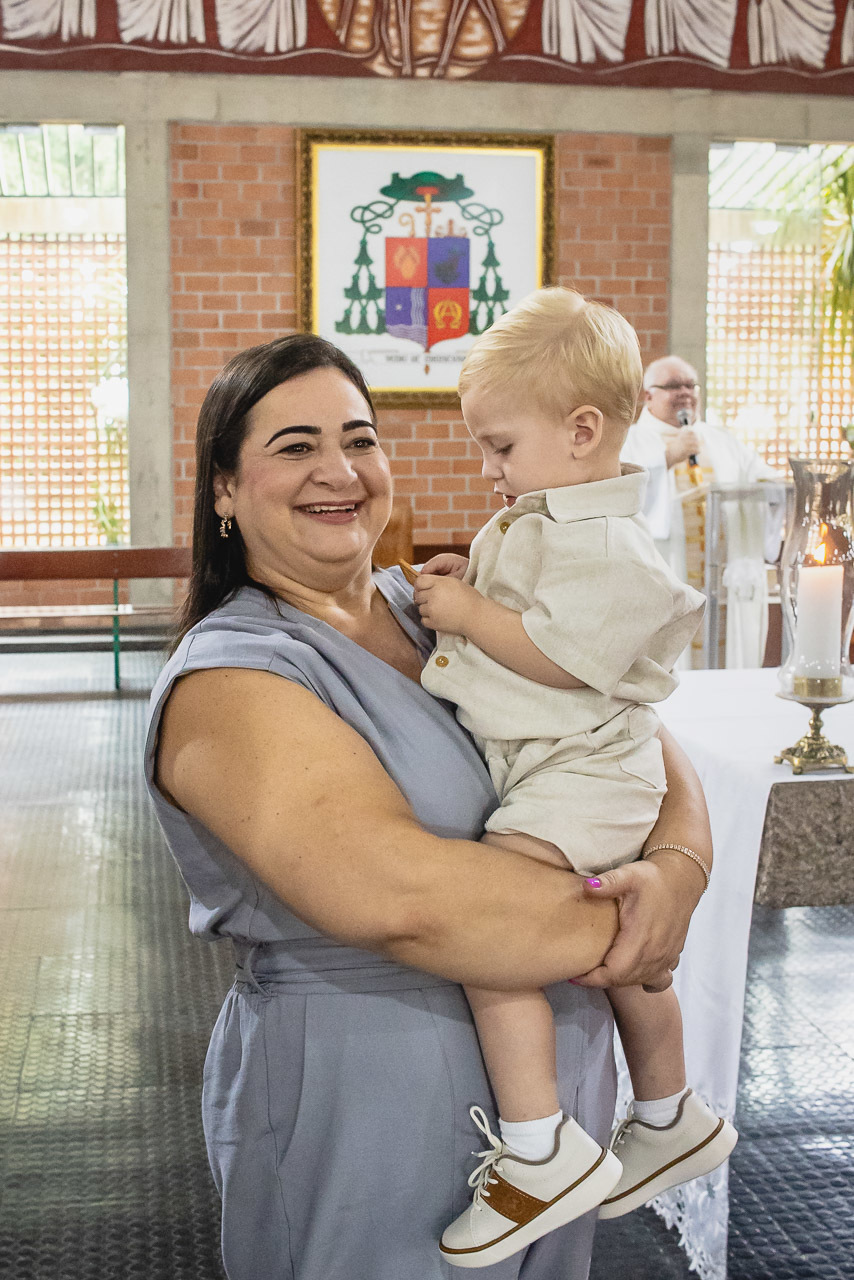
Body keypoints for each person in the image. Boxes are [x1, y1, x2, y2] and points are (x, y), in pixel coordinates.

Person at [144, 332, 713, 1280]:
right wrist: (636, 921)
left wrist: (678, 874)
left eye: (360, 439)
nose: (339, 470)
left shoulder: (441, 603)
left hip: (558, 1093)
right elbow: (411, 905)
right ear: (224, 490)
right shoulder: (233, 679)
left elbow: (636, 727)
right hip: (374, 1099)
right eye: (294, 447)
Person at [413, 290, 735, 1268]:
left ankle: (537, 1144)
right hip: (579, 767)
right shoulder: (555, 517)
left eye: (498, 445)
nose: (488, 468)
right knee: (623, 949)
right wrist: (472, 580)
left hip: (583, 772)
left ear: (581, 429)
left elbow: (558, 655)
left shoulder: (603, 540)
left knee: (484, 925)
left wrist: (467, 614)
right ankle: (669, 1111)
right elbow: (534, 608)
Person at [621, 355, 781, 668]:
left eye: (689, 384)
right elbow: (618, 489)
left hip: (723, 579)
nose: (684, 392)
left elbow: (764, 481)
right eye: (672, 386)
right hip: (668, 573)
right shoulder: (632, 441)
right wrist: (667, 457)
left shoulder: (721, 440)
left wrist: (782, 489)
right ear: (648, 395)